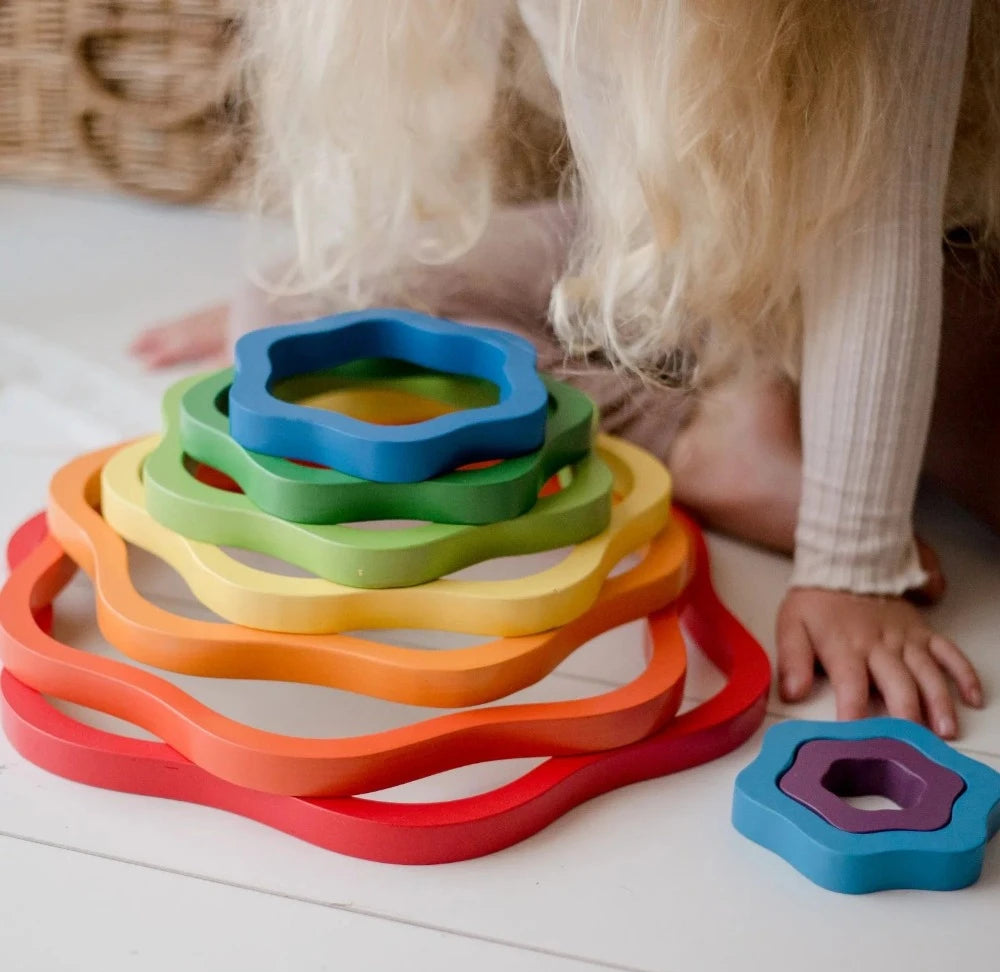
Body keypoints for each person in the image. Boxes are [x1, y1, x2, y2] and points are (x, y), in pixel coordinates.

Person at [133, 0, 1000, 738]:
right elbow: (642, 178)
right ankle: (709, 433)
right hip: (691, 257)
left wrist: (850, 561)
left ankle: (754, 413)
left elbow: (879, 234)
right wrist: (349, 298)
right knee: (281, 303)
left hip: (941, 256)